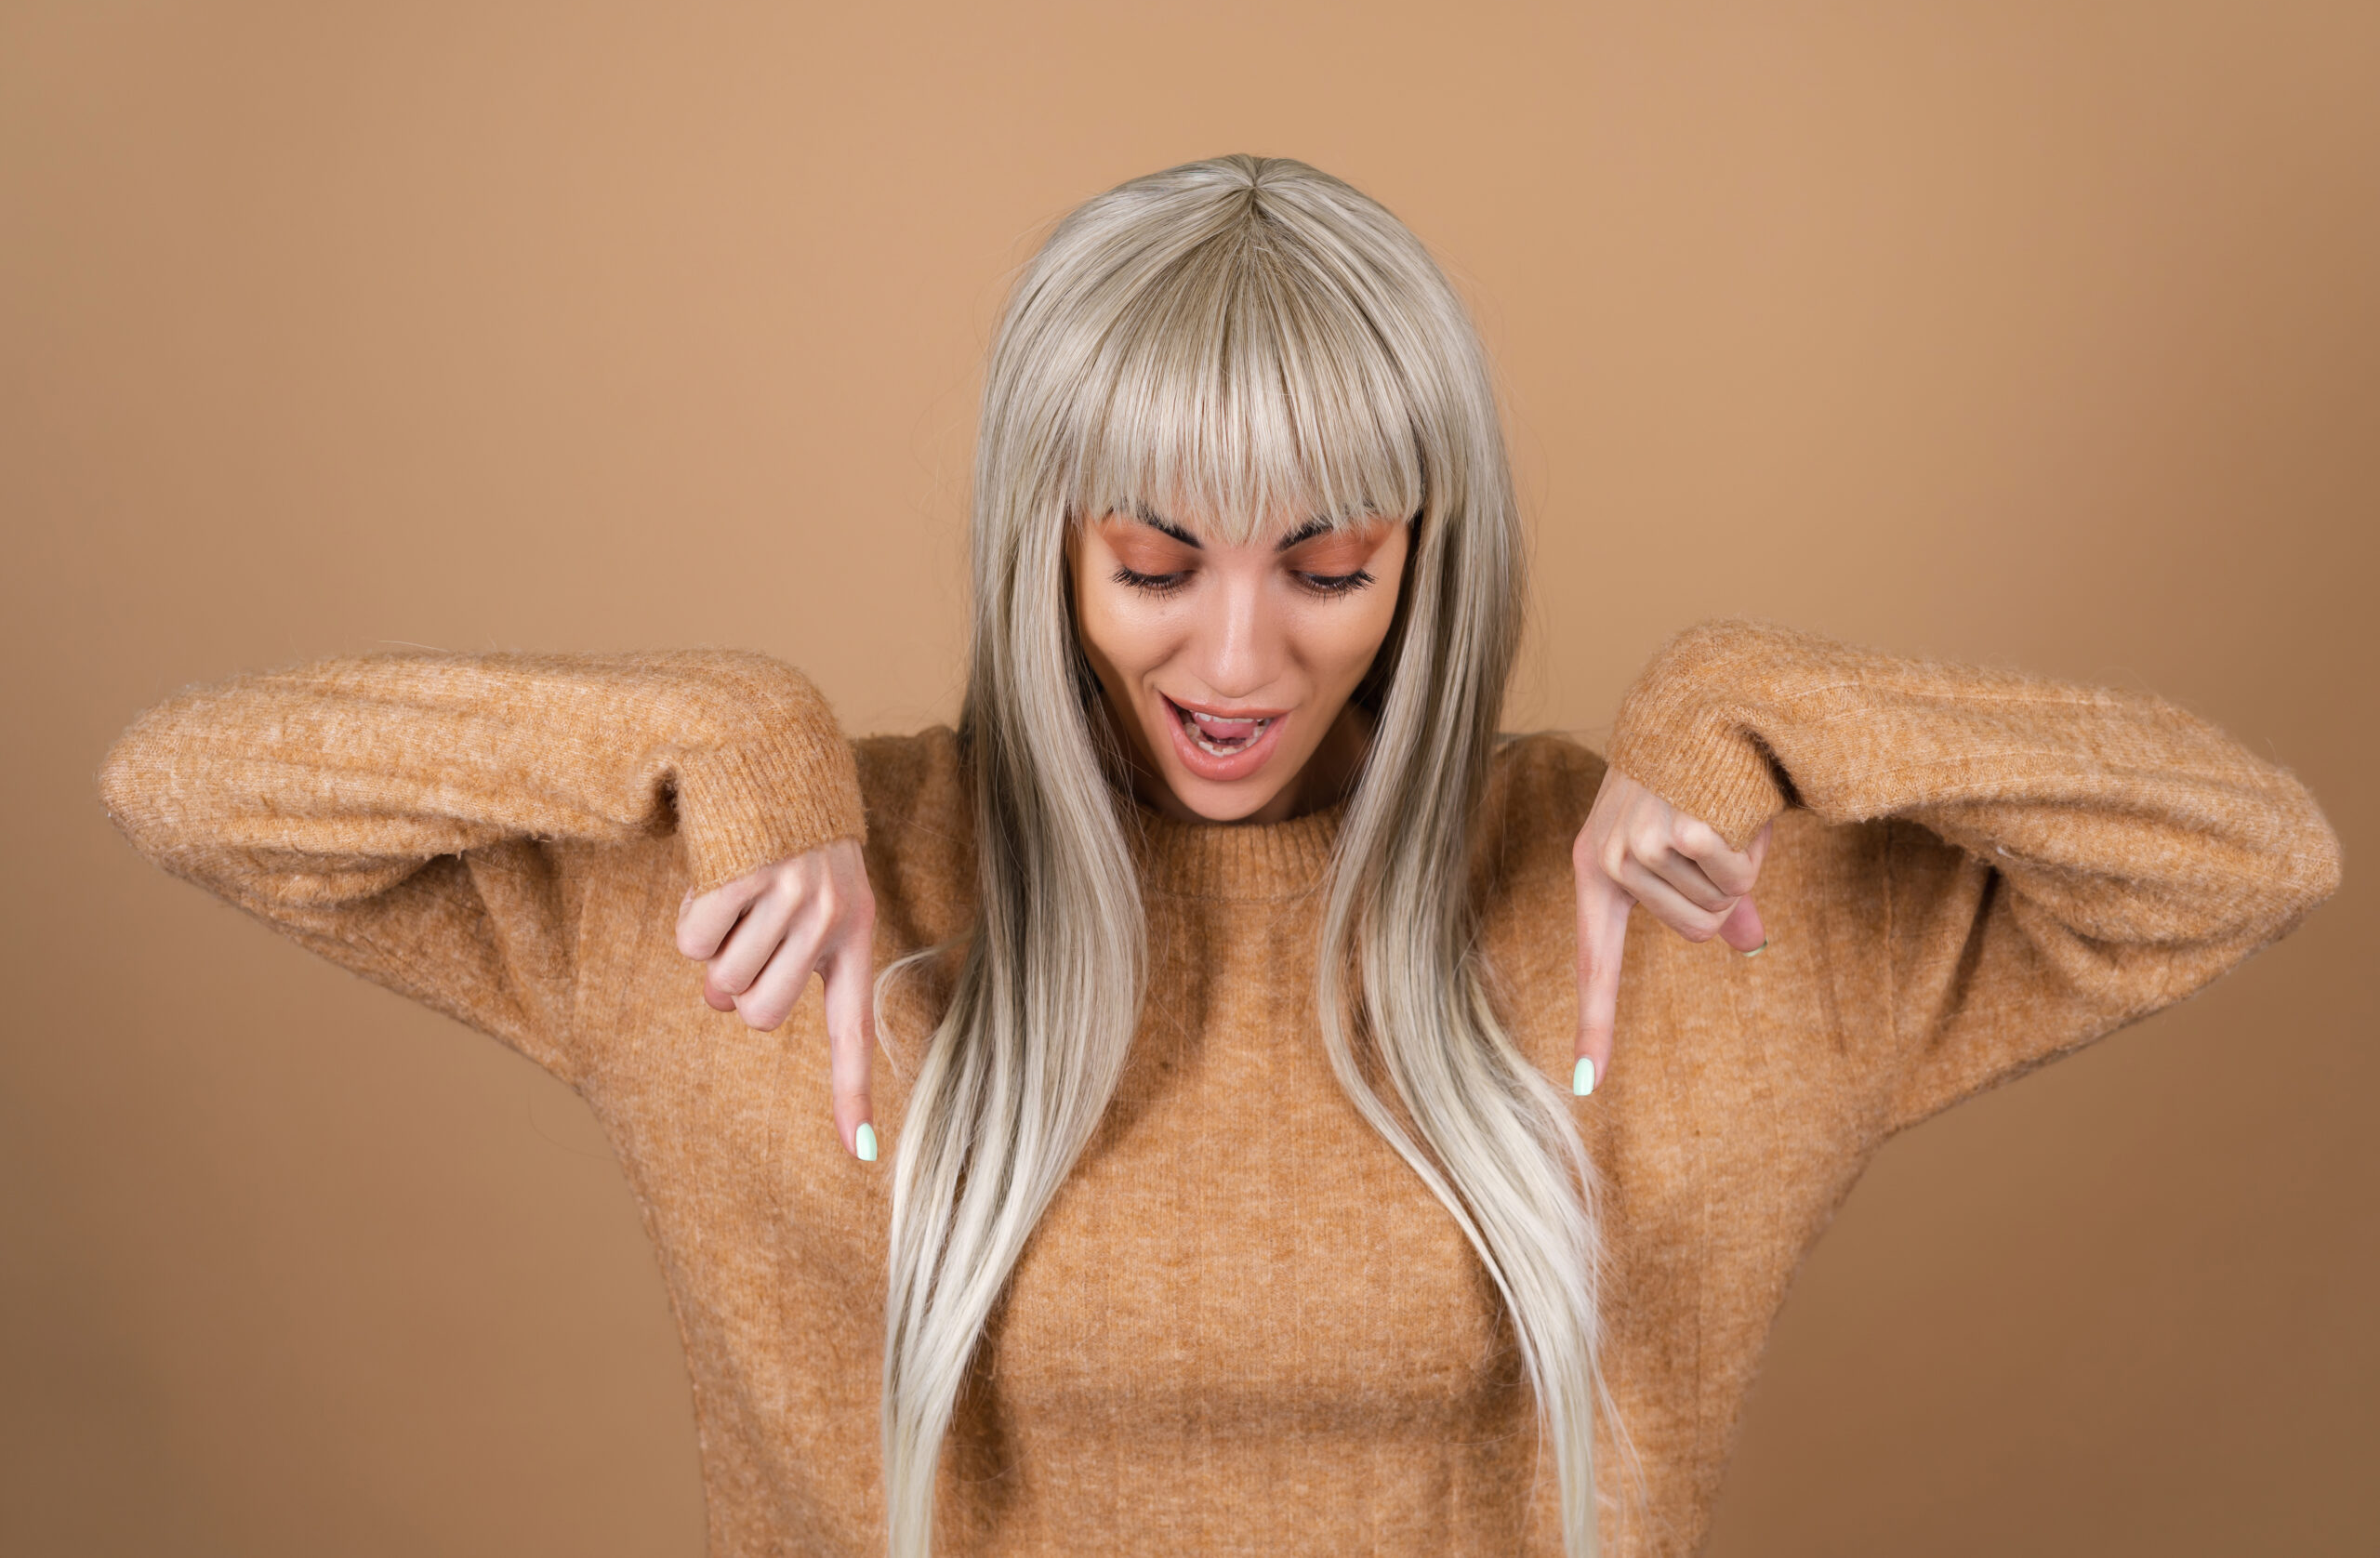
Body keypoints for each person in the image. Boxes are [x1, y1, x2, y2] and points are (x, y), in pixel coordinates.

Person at [98, 154, 2341, 1558]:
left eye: (1332, 565)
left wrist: (1752, 699)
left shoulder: (1657, 901)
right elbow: (191, 782)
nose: (1242, 656)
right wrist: (726, 729)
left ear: (1429, 563)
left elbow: (2246, 853)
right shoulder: (792, 900)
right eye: (1154, 560)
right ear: (1033, 547)